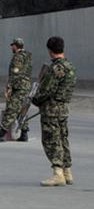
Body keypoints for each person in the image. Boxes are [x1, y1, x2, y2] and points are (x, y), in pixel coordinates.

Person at [32, 36, 76, 187]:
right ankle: (67, 172)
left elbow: (46, 90)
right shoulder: (70, 66)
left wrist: (35, 100)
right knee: (63, 139)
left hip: (51, 110)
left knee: (52, 140)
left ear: (50, 51)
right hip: (63, 108)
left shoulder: (55, 68)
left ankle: (58, 173)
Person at [0, 38, 33, 142]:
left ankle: (1, 134)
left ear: (16, 46)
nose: (11, 47)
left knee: (11, 108)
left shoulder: (18, 57)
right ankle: (24, 134)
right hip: (26, 86)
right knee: (21, 110)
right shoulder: (27, 56)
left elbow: (15, 73)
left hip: (19, 87)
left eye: (12, 45)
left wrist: (9, 87)